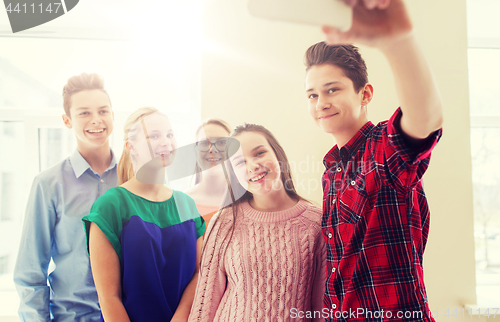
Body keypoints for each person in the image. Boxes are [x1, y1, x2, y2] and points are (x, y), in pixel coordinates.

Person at [304, 0, 443, 321]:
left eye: (332, 89)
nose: (321, 103)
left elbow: (425, 121)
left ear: (364, 94)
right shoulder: (332, 172)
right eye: (312, 95)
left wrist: (398, 41)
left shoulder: (382, 148)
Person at [188, 124, 326, 322]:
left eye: (259, 153)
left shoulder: (316, 223)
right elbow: (205, 304)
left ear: (277, 154)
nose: (252, 166)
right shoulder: (224, 221)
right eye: (239, 162)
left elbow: (321, 309)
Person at [82, 107, 205, 322]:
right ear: (132, 147)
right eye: (154, 136)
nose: (166, 142)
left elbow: (200, 273)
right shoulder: (110, 206)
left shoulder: (187, 205)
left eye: (170, 134)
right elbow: (109, 297)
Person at [13, 72, 117, 321]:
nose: (96, 120)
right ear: (67, 120)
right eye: (84, 113)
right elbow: (30, 273)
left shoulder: (134, 177)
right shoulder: (48, 184)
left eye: (103, 111)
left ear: (113, 115)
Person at [185, 119, 231, 228]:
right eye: (205, 143)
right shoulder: (180, 203)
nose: (212, 149)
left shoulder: (249, 201)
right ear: (195, 151)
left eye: (221, 142)